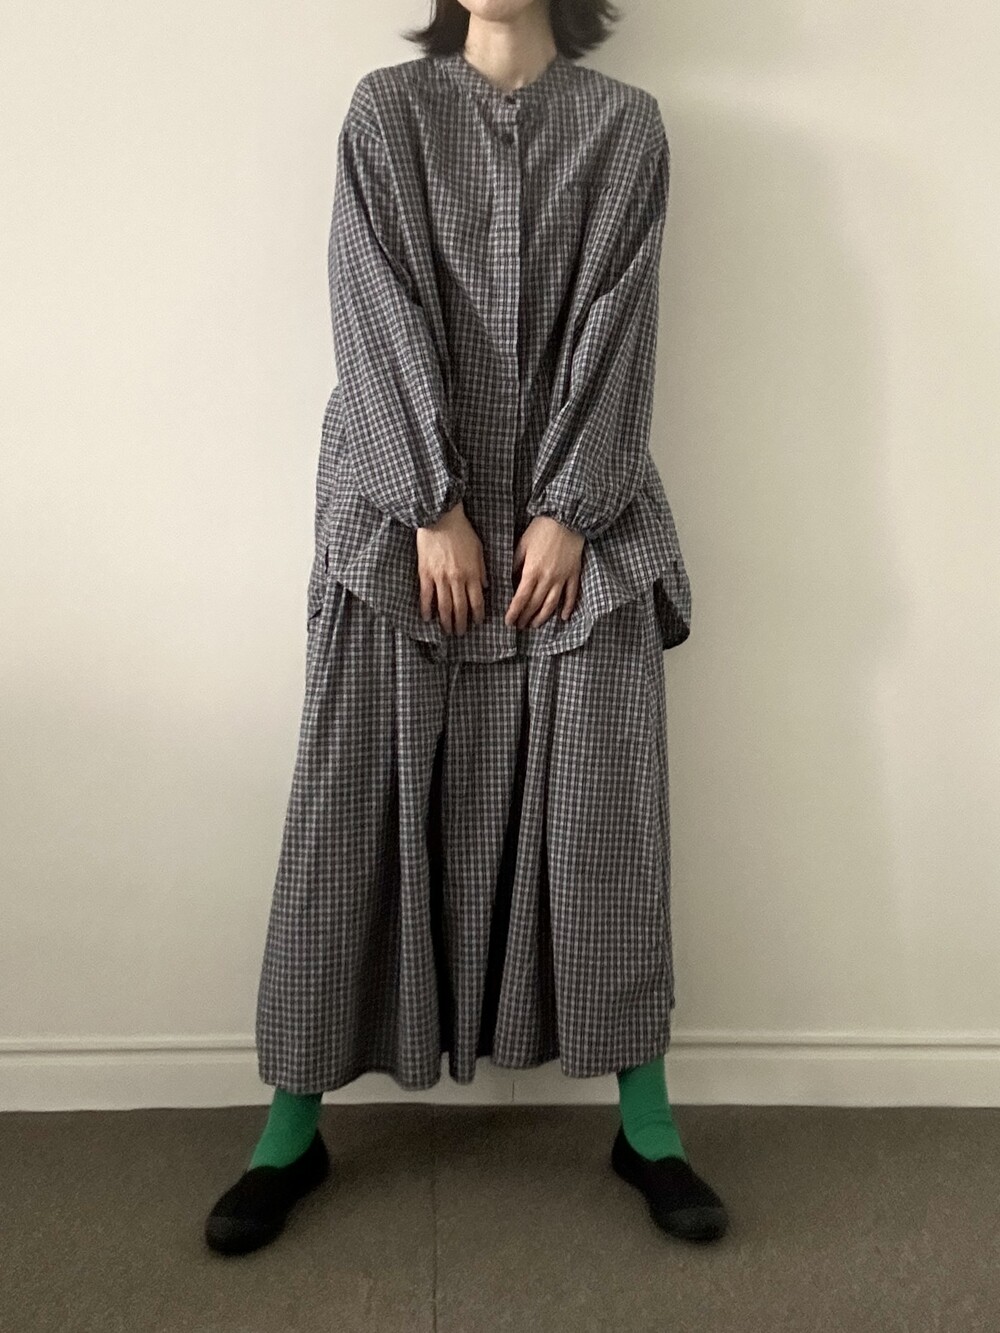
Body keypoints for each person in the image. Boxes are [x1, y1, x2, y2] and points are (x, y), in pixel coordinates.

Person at [204, 0, 728, 1256]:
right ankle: (290, 1128)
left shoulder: (625, 128)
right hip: (399, 524)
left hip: (578, 525)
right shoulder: (385, 113)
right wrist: (428, 502)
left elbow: (621, 327)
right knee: (349, 809)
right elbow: (369, 307)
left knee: (605, 812)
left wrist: (569, 510)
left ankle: (647, 1125)